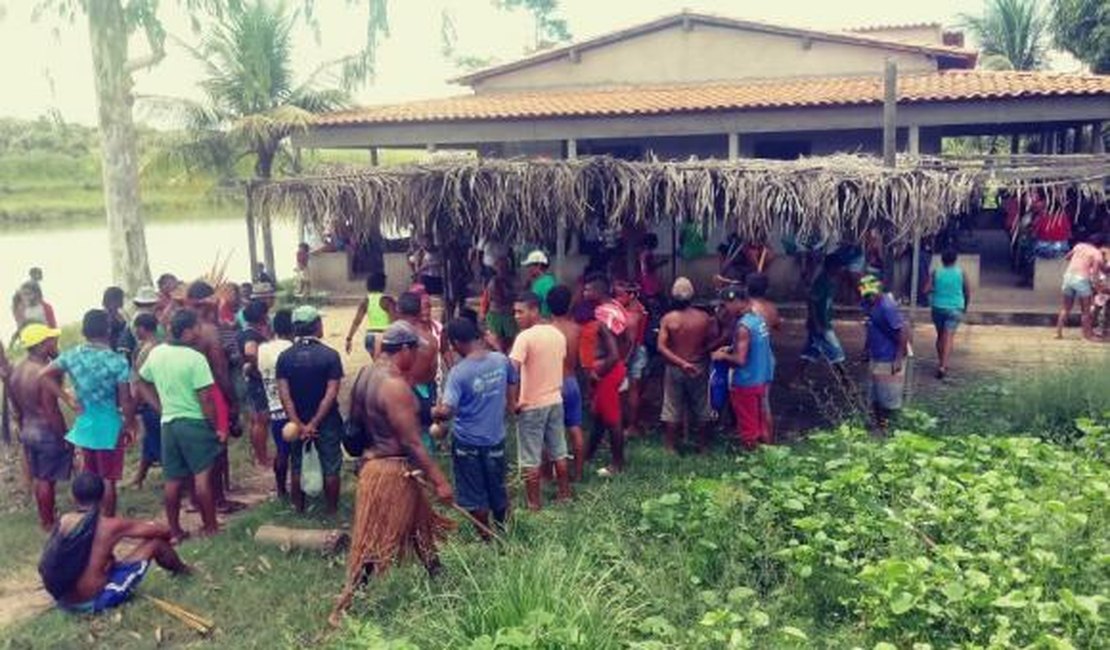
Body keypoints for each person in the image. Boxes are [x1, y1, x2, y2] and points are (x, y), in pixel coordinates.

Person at [330, 322, 454, 628]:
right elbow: (412, 442)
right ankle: (345, 605)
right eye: (416, 352)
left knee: (419, 524)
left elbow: (357, 426)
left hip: (377, 466)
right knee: (374, 542)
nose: (418, 359)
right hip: (391, 473)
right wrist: (440, 480)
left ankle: (439, 574)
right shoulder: (394, 385)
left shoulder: (366, 374)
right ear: (405, 350)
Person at [40, 472, 190, 614]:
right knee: (156, 544)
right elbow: (164, 532)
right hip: (93, 601)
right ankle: (184, 572)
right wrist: (149, 525)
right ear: (103, 496)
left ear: (73, 496)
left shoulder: (64, 520)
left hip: (63, 600)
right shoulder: (110, 526)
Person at [136, 309, 223, 540]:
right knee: (202, 477)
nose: (199, 330)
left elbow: (141, 381)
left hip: (169, 424)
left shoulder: (157, 354)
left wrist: (159, 407)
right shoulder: (195, 359)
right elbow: (206, 399)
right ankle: (210, 527)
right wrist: (215, 427)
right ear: (186, 331)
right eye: (196, 327)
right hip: (194, 422)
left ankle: (174, 531)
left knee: (172, 480)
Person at [41, 309, 135, 517]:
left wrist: (67, 397)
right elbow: (126, 399)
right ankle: (107, 522)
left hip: (85, 421)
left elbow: (44, 374)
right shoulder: (117, 361)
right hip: (109, 422)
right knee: (108, 479)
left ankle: (90, 521)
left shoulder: (72, 355)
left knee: (88, 475)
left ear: (84, 331)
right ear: (108, 329)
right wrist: (130, 424)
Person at [433, 318, 517, 538]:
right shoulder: (500, 360)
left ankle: (487, 538)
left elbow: (447, 411)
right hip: (495, 439)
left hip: (467, 444)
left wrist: (433, 411)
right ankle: (505, 533)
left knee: (474, 493)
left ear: (456, 343)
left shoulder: (459, 373)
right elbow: (512, 379)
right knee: (498, 488)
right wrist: (510, 404)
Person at [277, 306, 344, 514]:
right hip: (327, 420)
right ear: (317, 326)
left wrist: (299, 424)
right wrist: (314, 424)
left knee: (297, 464)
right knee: (331, 464)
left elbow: (284, 395)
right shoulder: (330, 356)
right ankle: (331, 510)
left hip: (296, 422)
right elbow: (331, 393)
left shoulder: (285, 357)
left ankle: (299, 509)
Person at [510, 291, 570, 509]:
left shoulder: (524, 338)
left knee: (530, 457)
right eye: (514, 312)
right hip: (555, 399)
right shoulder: (557, 334)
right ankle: (565, 495)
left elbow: (512, 372)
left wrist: (513, 402)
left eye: (520, 311)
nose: (516, 316)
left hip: (531, 403)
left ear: (534, 311)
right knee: (559, 451)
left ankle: (534, 504)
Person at [10, 324, 71, 529]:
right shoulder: (45, 373)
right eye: (51, 340)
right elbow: (50, 410)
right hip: (45, 431)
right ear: (41, 345)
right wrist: (64, 436)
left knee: (39, 477)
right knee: (46, 480)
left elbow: (17, 407)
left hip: (28, 428)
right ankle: (48, 522)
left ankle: (45, 516)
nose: (55, 343)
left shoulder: (18, 370)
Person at [184, 281, 236, 511]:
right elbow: (220, 369)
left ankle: (195, 499)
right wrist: (231, 401)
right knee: (217, 445)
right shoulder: (209, 330)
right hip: (211, 393)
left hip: (186, 394)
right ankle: (219, 500)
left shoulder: (179, 327)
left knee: (192, 450)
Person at [656, 277, 715, 453]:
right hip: (699, 365)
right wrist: (700, 355)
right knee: (703, 406)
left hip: (675, 367)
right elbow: (711, 341)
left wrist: (681, 363)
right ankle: (703, 446)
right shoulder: (704, 318)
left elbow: (661, 347)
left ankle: (670, 447)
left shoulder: (669, 319)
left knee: (672, 407)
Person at [712, 286, 774, 450]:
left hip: (746, 382)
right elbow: (753, 347)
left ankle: (752, 459)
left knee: (748, 426)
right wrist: (732, 348)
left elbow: (740, 360)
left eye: (725, 305)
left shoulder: (743, 327)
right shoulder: (758, 319)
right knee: (761, 421)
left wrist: (723, 356)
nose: (724, 309)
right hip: (761, 377)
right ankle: (769, 454)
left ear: (737, 302)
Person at [583, 274, 630, 476]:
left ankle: (617, 464)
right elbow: (626, 339)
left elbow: (612, 350)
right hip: (614, 367)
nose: (584, 293)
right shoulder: (616, 307)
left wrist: (597, 371)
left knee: (612, 418)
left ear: (598, 291)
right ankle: (587, 455)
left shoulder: (603, 315)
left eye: (588, 290)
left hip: (607, 370)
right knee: (599, 417)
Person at [859, 275, 910, 434]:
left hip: (889, 356)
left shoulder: (888, 307)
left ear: (879, 290)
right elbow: (871, 326)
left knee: (889, 395)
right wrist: (866, 348)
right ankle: (878, 424)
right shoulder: (867, 304)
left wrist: (898, 358)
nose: (870, 297)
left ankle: (888, 427)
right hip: (876, 353)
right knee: (874, 393)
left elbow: (903, 330)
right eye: (867, 295)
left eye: (872, 294)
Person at [547, 285, 586, 481]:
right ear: (570, 304)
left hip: (552, 383)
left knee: (549, 430)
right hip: (571, 381)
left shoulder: (546, 330)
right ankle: (578, 473)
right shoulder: (577, 329)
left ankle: (548, 474)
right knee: (575, 428)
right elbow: (581, 360)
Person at [397, 291, 442, 451]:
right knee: (424, 437)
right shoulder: (430, 340)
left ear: (398, 311)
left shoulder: (385, 338)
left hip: (396, 391)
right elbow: (432, 372)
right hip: (423, 390)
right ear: (418, 311)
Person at [258, 309, 294, 498]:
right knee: (297, 453)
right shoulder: (291, 348)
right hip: (293, 407)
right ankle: (300, 491)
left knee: (281, 451)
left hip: (274, 406)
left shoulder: (263, 349)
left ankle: (280, 489)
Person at [798, 257, 848, 383]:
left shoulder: (830, 281)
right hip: (821, 325)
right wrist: (817, 323)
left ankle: (796, 378)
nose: (842, 270)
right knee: (836, 352)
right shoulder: (822, 282)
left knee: (809, 353)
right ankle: (846, 383)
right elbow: (812, 303)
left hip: (821, 323)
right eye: (839, 267)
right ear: (832, 268)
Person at [925, 249, 971, 379]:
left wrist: (935, 290)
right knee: (948, 336)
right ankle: (943, 365)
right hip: (956, 308)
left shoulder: (936, 273)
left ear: (942, 260)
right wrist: (965, 306)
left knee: (940, 335)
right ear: (955, 260)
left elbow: (926, 289)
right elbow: (967, 292)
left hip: (938, 307)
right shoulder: (961, 273)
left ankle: (941, 361)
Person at [129, 313, 162, 490]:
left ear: (141, 328)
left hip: (151, 403)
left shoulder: (147, 350)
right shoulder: (159, 345)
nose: (135, 331)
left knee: (157, 444)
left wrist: (133, 406)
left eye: (136, 327)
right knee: (150, 443)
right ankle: (138, 479)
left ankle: (179, 486)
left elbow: (141, 383)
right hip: (157, 400)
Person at [238, 299, 272, 466]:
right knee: (261, 420)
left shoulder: (244, 331)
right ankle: (262, 458)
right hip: (257, 381)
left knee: (255, 420)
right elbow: (250, 352)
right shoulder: (251, 334)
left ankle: (259, 455)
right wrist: (261, 366)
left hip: (251, 380)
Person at [1056, 234, 1105, 341]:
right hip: (1082, 280)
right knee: (1085, 311)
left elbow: (1067, 257)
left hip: (1068, 277)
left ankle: (1058, 333)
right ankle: (1086, 336)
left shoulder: (1079, 246)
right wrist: (1098, 290)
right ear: (1101, 245)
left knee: (1065, 308)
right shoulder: (1097, 254)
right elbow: (1096, 274)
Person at [615, 281, 648, 438]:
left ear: (631, 295)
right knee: (633, 389)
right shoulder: (639, 308)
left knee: (631, 390)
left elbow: (631, 342)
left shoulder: (633, 315)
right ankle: (631, 423)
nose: (617, 299)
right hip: (638, 350)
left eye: (620, 296)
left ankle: (631, 425)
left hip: (633, 353)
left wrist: (625, 360)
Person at [345, 272, 392, 355]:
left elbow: (356, 322)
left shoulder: (366, 301)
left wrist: (349, 338)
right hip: (385, 335)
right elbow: (394, 321)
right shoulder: (387, 301)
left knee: (376, 362)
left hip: (370, 336)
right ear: (383, 285)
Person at [483, 254, 518, 352]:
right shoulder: (494, 282)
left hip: (508, 314)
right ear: (496, 268)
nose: (503, 269)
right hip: (497, 315)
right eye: (500, 267)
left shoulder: (511, 280)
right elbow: (498, 298)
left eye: (505, 267)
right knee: (497, 342)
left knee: (509, 341)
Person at [523, 250, 557, 317]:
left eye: (530, 266)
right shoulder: (542, 281)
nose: (528, 269)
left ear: (538, 266)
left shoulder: (546, 283)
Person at [102, 287, 131, 358]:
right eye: (120, 298)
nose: (122, 301)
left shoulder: (121, 313)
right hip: (113, 351)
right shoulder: (106, 316)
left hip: (125, 348)